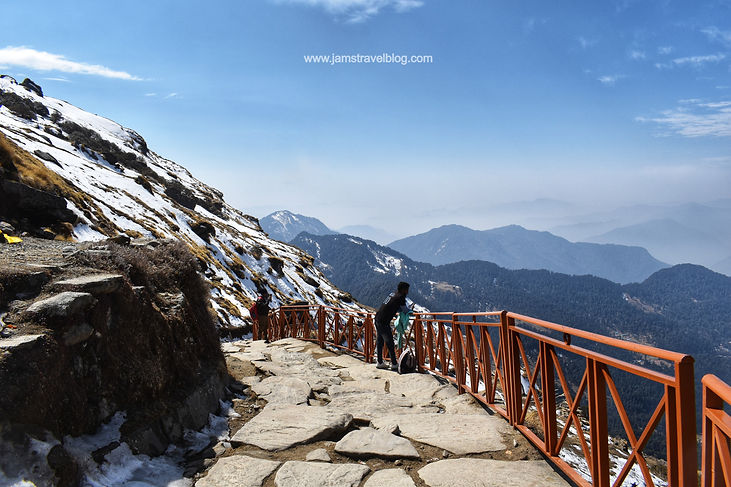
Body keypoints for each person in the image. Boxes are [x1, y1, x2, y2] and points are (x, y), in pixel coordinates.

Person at [374, 281, 412, 370]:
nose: (408, 292)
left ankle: (379, 362)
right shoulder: (401, 297)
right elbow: (405, 310)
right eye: (407, 290)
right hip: (384, 322)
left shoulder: (393, 294)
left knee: (380, 341)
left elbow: (393, 306)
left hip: (377, 318)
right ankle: (394, 363)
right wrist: (411, 312)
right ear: (403, 289)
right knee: (389, 342)